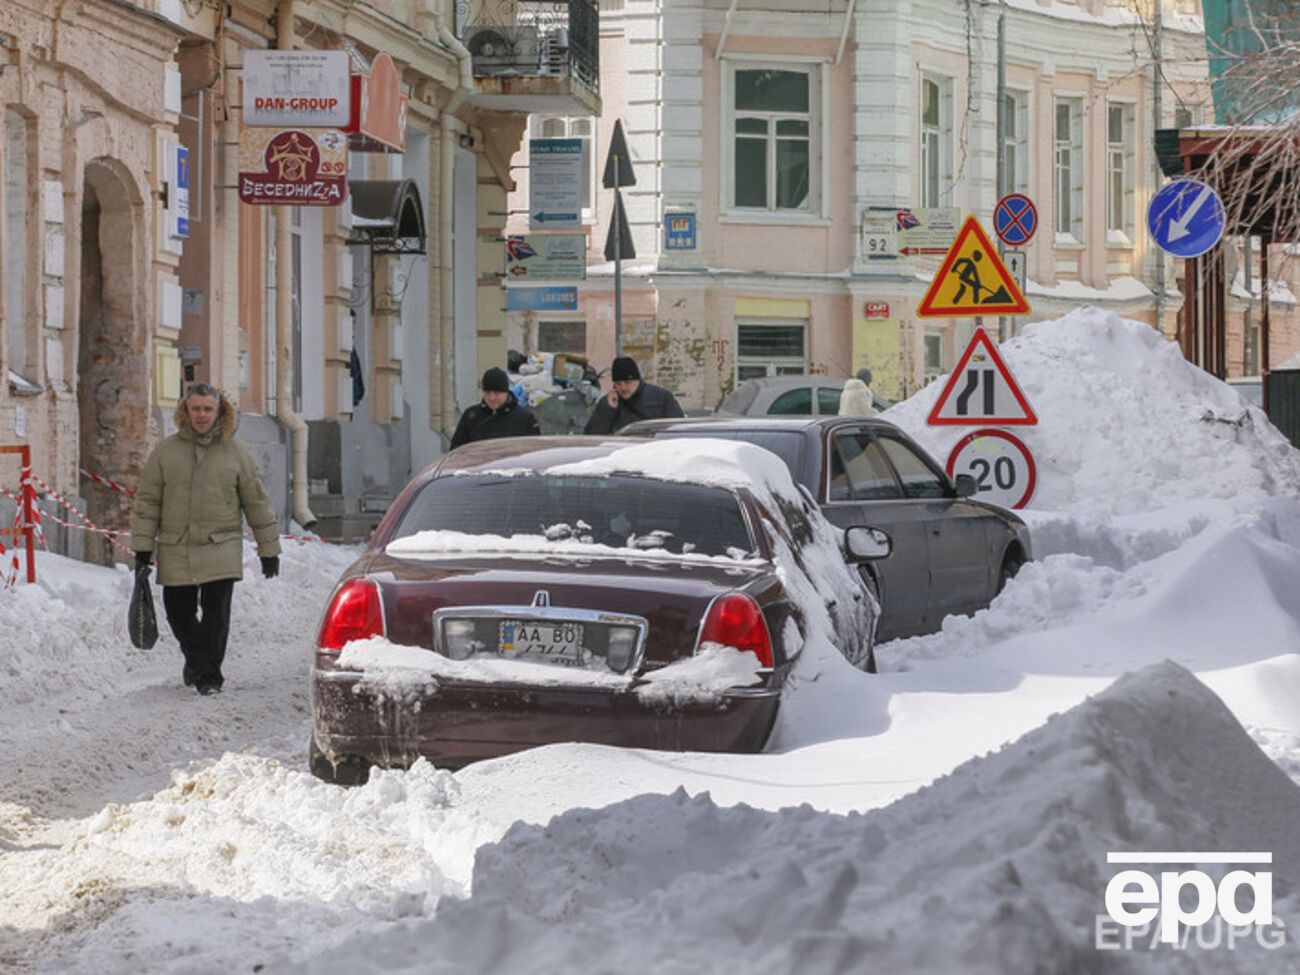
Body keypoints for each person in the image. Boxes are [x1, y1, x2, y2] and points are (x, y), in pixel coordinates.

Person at [129, 383, 281, 696]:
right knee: (178, 611)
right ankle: (198, 660)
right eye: (195, 408)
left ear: (219, 412)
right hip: (176, 545)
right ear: (185, 411)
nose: (201, 415)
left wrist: (269, 549)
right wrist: (143, 548)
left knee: (216, 615)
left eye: (207, 409)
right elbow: (147, 502)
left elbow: (257, 502)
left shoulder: (236, 452)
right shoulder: (166, 452)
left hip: (220, 545)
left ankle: (209, 677)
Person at [583, 356, 685, 434]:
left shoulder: (662, 397)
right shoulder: (608, 403)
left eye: (628, 382)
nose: (623, 388)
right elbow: (592, 436)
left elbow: (679, 430)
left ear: (637, 380)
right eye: (618, 384)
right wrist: (608, 409)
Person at [449, 367, 541, 449]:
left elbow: (535, 452)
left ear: (506, 392)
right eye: (488, 393)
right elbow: (456, 450)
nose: (492, 398)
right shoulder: (471, 416)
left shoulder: (524, 418)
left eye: (497, 393)